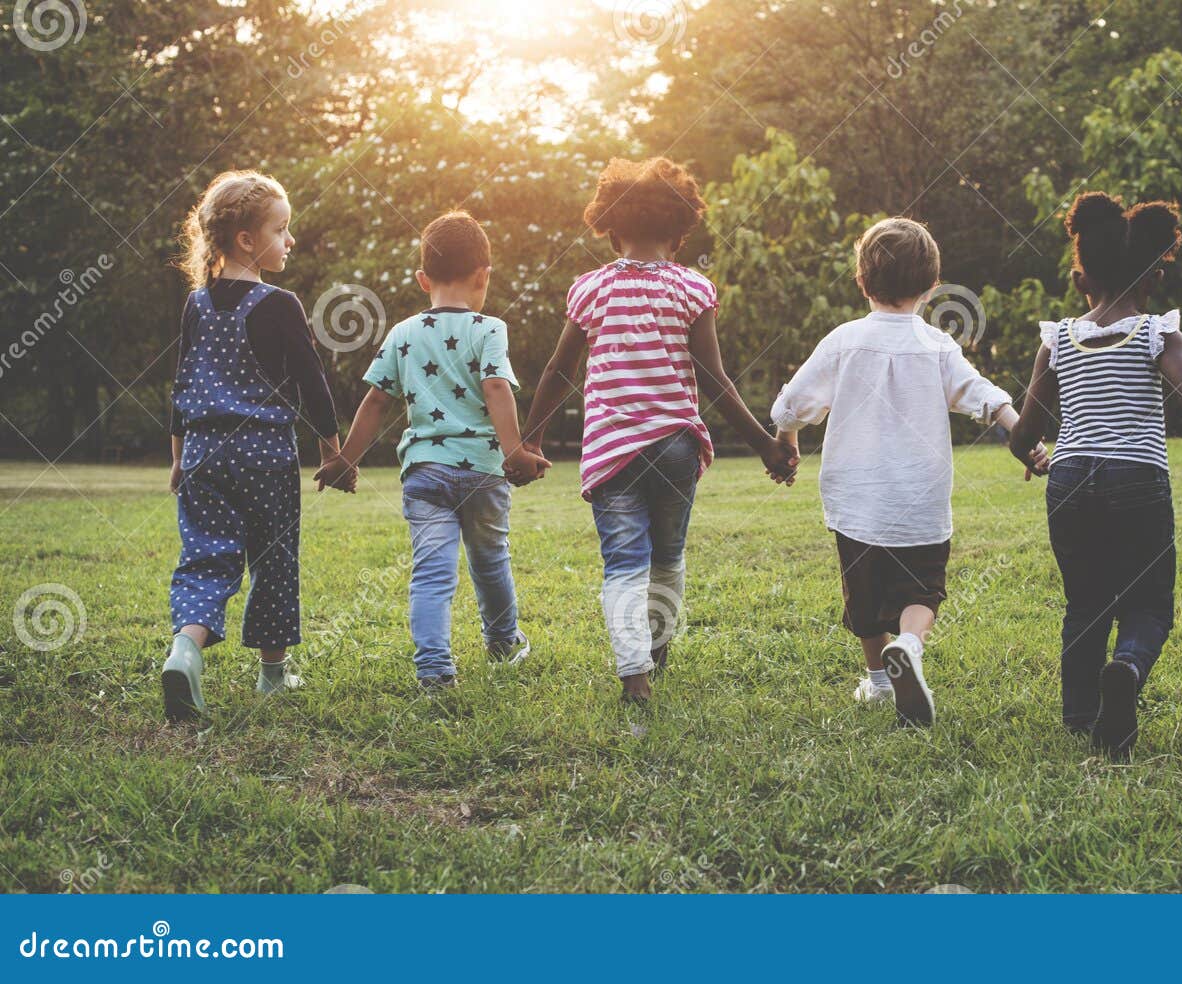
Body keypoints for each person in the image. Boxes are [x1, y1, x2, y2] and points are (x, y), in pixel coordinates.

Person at [516, 157, 795, 705]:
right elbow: (715, 380)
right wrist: (764, 444)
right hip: (674, 446)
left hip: (612, 449)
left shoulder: (589, 290)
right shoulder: (693, 288)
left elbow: (557, 371)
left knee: (624, 563)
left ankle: (635, 678)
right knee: (668, 555)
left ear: (610, 226)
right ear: (681, 226)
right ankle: (659, 650)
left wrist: (531, 441)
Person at [1008, 192, 1182, 758]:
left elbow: (1023, 433)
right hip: (1136, 479)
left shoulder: (1057, 342)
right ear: (1152, 280)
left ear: (1081, 281)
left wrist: (1032, 454)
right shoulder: (1156, 334)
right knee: (1148, 604)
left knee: (1084, 600)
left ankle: (1079, 714)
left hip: (1069, 479)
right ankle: (1126, 667)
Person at [772, 217, 1049, 727]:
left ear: (862, 280)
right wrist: (1021, 435)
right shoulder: (939, 346)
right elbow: (983, 395)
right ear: (931, 287)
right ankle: (910, 645)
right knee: (923, 590)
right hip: (920, 501)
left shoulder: (843, 341)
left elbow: (791, 405)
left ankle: (879, 680)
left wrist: (788, 445)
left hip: (857, 502)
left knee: (864, 597)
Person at [318, 211, 547, 688]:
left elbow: (376, 401)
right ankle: (504, 642)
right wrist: (514, 452)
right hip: (483, 472)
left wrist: (346, 461)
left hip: (425, 475)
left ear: (423, 279)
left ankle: (435, 671)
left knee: (432, 572)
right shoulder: (489, 329)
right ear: (484, 275)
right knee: (491, 560)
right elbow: (496, 389)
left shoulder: (403, 333)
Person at [163, 170, 353, 721]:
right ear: (247, 240)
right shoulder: (280, 304)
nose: (290, 240)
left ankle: (186, 650)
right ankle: (273, 675)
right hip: (264, 457)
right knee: (273, 561)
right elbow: (312, 384)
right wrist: (332, 452)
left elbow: (183, 383)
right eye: (282, 229)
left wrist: (178, 458)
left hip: (202, 454)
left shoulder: (196, 304)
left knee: (205, 559)